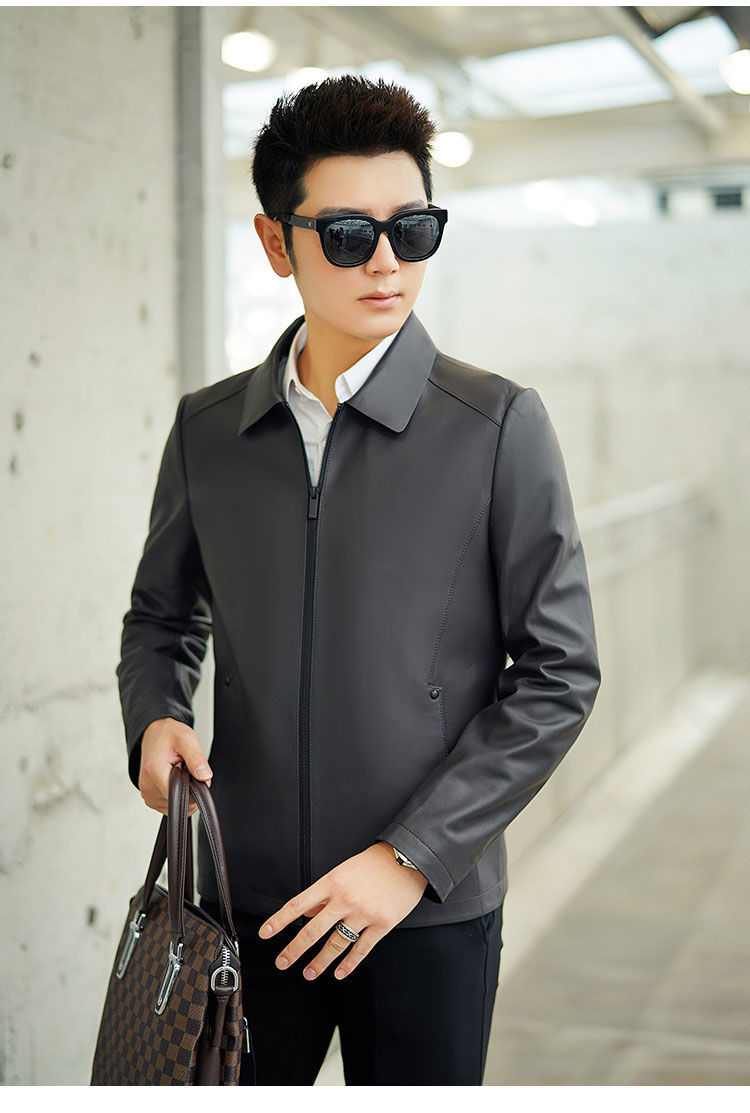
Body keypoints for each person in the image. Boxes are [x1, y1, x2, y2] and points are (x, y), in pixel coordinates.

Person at [117, 75, 601, 1086]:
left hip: (425, 911)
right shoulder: (209, 431)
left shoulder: (498, 426)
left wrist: (412, 856)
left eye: (413, 229)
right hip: (246, 907)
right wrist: (155, 718)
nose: (386, 262)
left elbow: (559, 672)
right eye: (347, 234)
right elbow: (162, 615)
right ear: (275, 242)